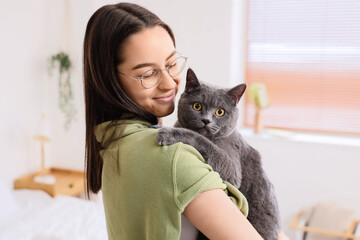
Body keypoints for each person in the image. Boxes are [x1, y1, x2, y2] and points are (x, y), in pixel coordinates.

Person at [83, 2, 263, 240]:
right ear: (110, 81)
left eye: (171, 64)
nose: (170, 84)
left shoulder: (110, 141)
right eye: (148, 73)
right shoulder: (173, 155)